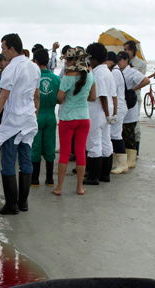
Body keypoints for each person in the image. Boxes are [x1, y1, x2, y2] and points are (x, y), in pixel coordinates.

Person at [0, 33, 40, 214]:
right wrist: (35, 113)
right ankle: (23, 203)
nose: (2, 52)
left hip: (14, 120)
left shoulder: (10, 69)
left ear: (12, 48)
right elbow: (36, 95)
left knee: (8, 161)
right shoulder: (34, 67)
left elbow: (3, 96)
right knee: (25, 160)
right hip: (29, 119)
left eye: (3, 48)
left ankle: (11, 205)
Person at [52, 48, 95, 196]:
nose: (66, 62)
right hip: (84, 118)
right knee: (81, 152)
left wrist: (69, 99)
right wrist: (80, 98)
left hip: (68, 118)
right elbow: (93, 97)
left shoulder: (67, 76)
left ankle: (59, 188)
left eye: (68, 60)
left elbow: (60, 98)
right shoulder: (90, 76)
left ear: (74, 60)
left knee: (64, 152)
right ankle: (80, 187)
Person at [83, 42, 117, 185]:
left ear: (94, 57)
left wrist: (108, 113)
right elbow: (113, 95)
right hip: (106, 111)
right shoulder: (108, 71)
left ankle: (94, 176)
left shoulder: (97, 72)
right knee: (105, 141)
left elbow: (101, 95)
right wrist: (112, 114)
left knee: (94, 142)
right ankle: (105, 174)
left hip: (99, 111)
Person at [31, 49, 60, 187]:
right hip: (50, 114)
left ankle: (35, 179)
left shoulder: (33, 77)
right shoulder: (56, 78)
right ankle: (49, 179)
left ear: (35, 61)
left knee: (35, 146)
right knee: (50, 146)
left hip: (36, 113)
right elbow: (60, 99)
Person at [118, 51, 150, 168]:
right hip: (122, 106)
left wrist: (133, 89)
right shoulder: (118, 72)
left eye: (121, 60)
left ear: (126, 60)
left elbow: (146, 80)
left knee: (129, 133)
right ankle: (124, 158)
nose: (119, 62)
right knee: (122, 133)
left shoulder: (132, 72)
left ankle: (131, 160)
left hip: (130, 105)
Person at [107, 51, 129, 174]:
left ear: (111, 61)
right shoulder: (116, 71)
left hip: (118, 107)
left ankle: (122, 164)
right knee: (113, 134)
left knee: (115, 135)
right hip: (118, 106)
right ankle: (116, 162)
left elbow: (111, 91)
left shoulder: (115, 72)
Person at [124, 40, 147, 153]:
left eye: (127, 49)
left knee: (135, 124)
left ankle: (135, 149)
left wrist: (132, 90)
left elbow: (142, 80)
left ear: (133, 50)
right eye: (124, 50)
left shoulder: (141, 64)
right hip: (124, 97)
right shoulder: (123, 63)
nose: (126, 52)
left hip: (134, 96)